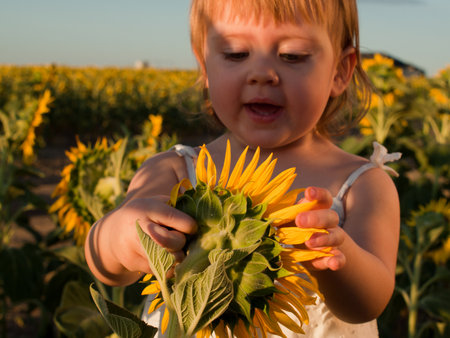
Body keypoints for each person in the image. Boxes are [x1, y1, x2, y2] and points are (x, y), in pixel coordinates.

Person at [85, 0, 401, 337]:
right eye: (236, 53)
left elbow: (371, 302)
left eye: (292, 55)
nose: (262, 73)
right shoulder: (174, 172)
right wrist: (119, 236)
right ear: (205, 65)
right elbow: (108, 267)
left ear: (339, 71)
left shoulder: (362, 184)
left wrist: (339, 257)